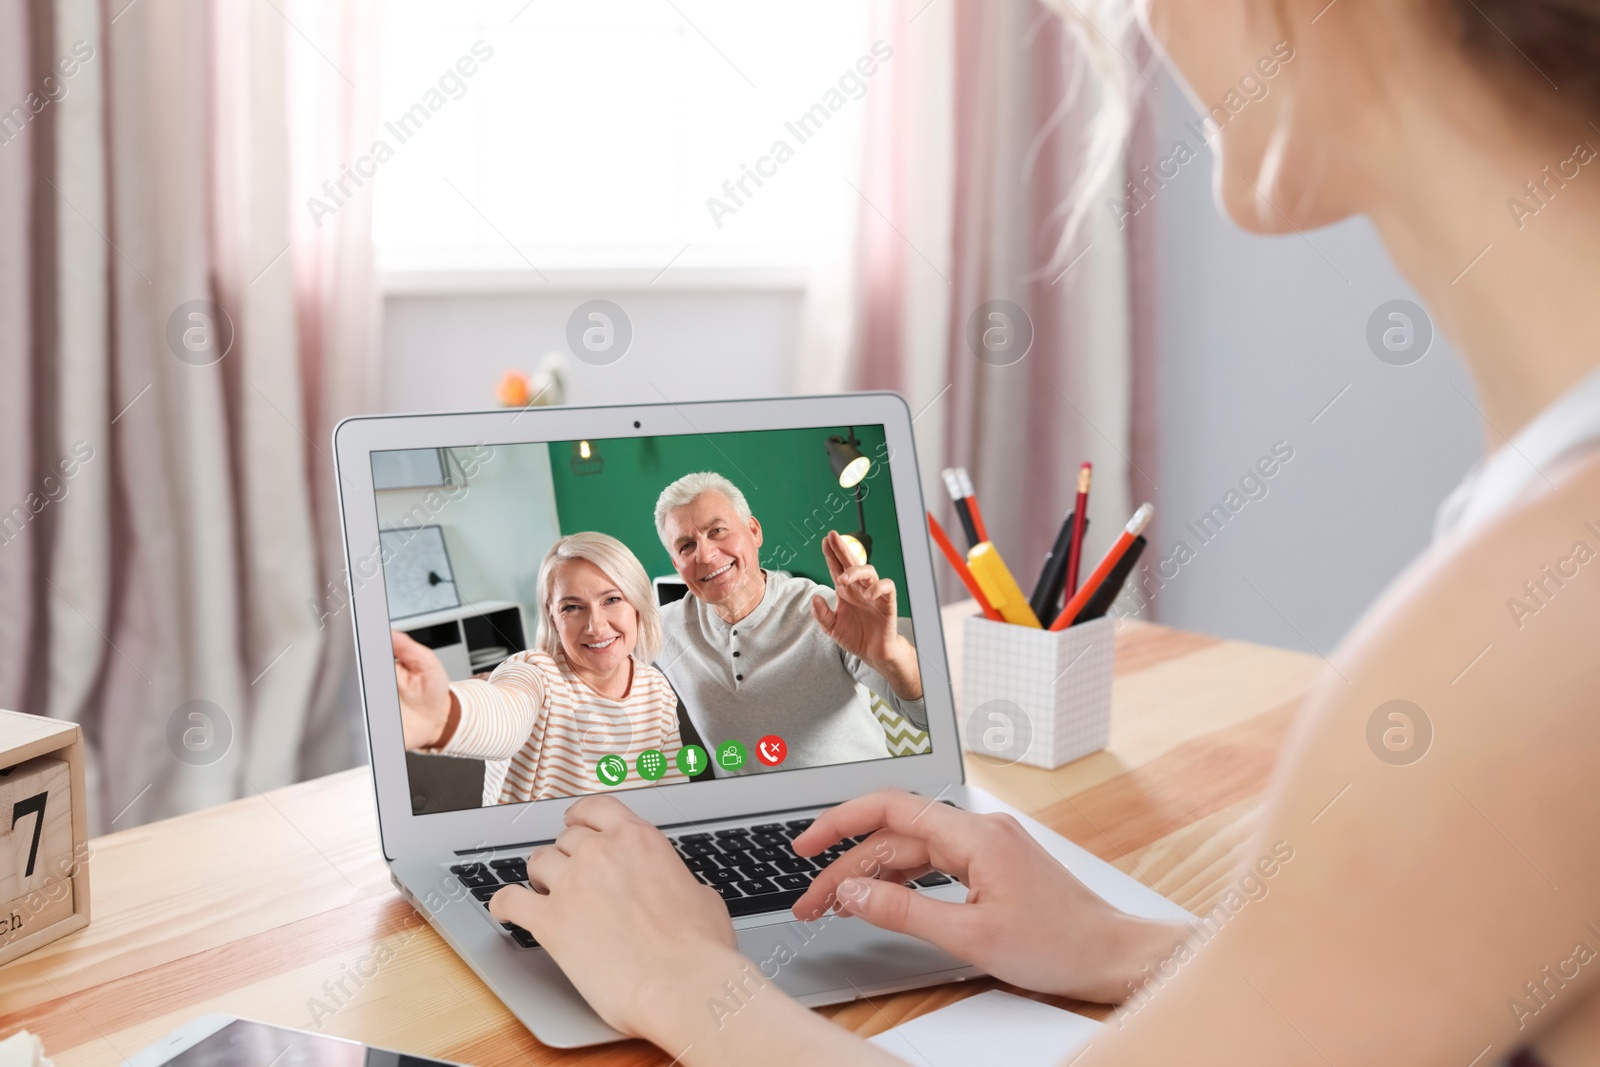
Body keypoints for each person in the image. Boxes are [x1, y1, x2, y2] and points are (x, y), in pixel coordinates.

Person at [485, 1, 1600, 1063]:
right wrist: (1121, 945)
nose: (1151, 32)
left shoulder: (1534, 641)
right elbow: (1424, 972)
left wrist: (686, 983)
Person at [650, 470, 926, 773]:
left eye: (717, 531)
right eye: (686, 546)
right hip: (756, 815)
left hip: (862, 803)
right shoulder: (662, 628)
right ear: (677, 565)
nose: (705, 554)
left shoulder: (827, 610)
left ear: (754, 532)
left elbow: (926, 718)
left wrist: (893, 653)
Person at [392, 532, 687, 801]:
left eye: (612, 599)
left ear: (637, 603)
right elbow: (506, 713)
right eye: (572, 607)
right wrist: (441, 715)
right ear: (552, 617)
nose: (596, 626)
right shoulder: (536, 672)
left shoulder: (656, 690)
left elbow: (674, 797)